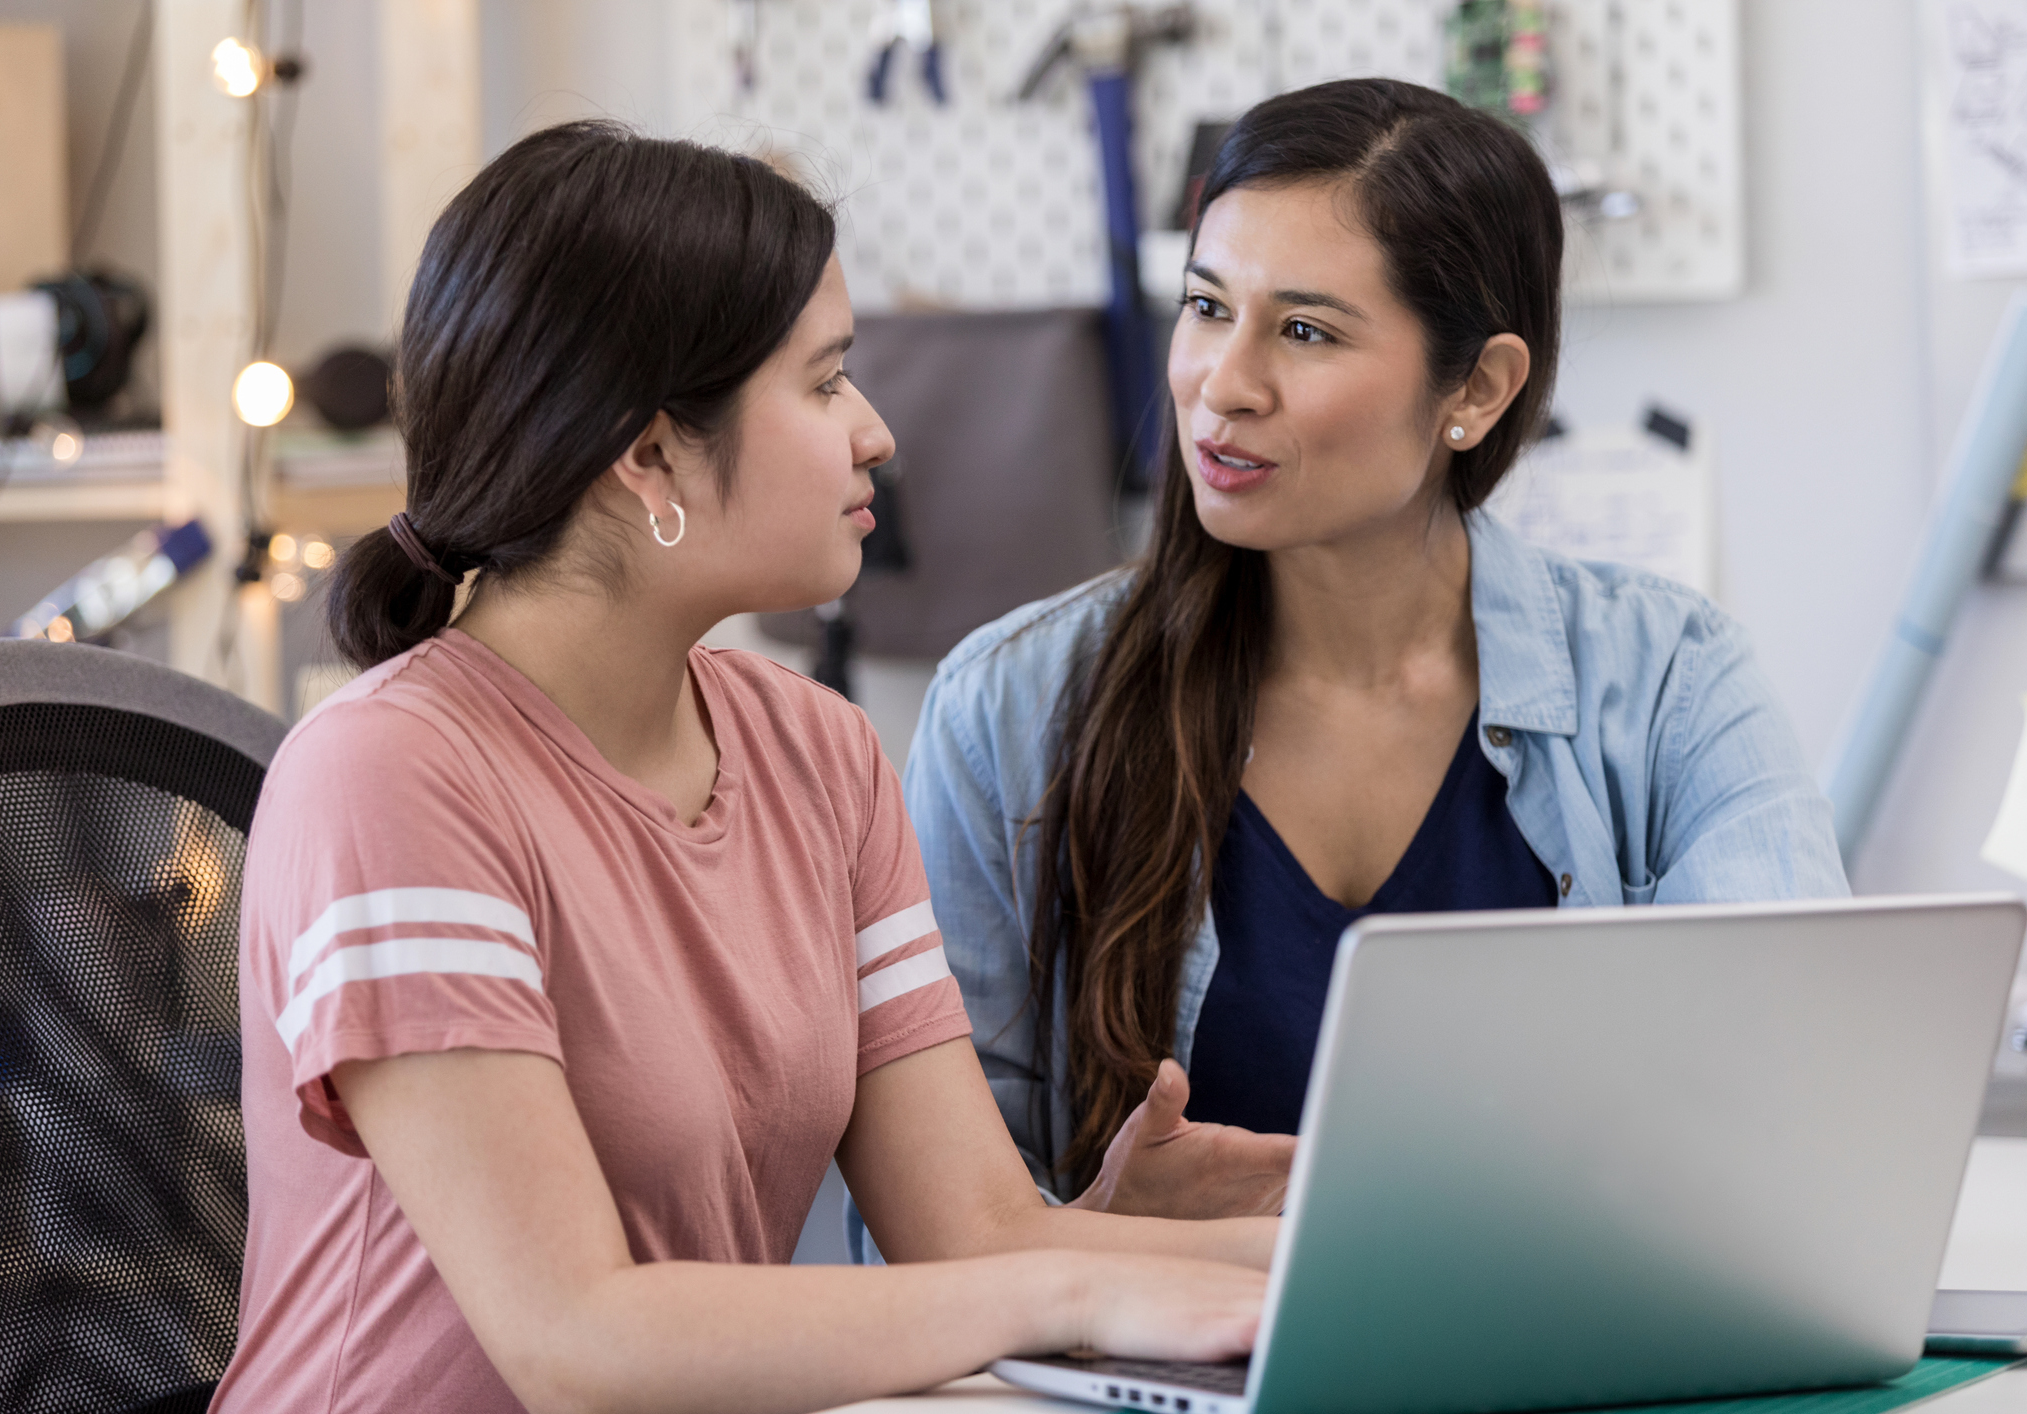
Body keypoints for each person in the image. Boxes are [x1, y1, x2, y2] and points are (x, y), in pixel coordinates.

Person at [212, 121, 1274, 1414]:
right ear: (648, 453)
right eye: (825, 383)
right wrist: (1073, 1291)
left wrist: (1329, 1259)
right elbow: (577, 1338)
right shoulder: (390, 775)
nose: (875, 432)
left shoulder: (817, 750)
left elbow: (978, 1231)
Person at [897, 78, 1849, 1231]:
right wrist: (1087, 1230)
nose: (1223, 385)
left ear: (1477, 388)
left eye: (1304, 330)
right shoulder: (1008, 709)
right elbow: (921, 1235)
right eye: (1206, 306)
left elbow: (1794, 1124)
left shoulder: (1669, 687)